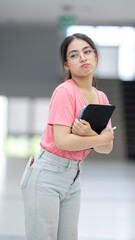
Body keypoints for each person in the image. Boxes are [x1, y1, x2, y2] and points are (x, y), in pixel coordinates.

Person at [21, 33, 115, 240]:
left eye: (87, 51)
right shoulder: (65, 92)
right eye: (74, 55)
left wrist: (91, 134)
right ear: (66, 64)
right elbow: (63, 141)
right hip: (46, 175)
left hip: (73, 179)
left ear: (96, 57)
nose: (82, 57)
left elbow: (107, 148)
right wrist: (100, 137)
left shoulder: (101, 97)